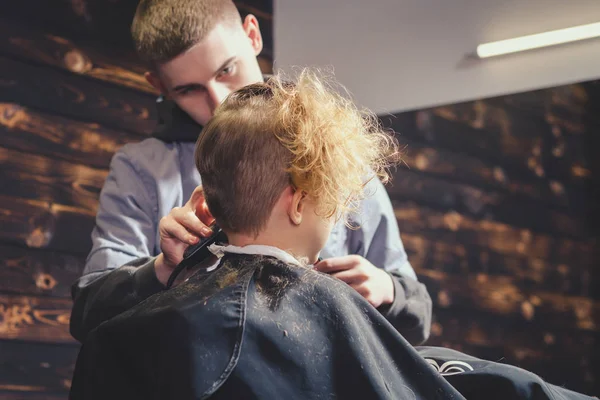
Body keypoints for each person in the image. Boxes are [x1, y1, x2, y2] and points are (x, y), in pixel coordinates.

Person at [69, 72, 595, 400]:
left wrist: (389, 290)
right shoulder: (336, 315)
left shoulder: (117, 341)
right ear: (299, 201)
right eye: (330, 198)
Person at [69, 0, 432, 345]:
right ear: (159, 85)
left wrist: (389, 290)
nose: (217, 101)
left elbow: (418, 320)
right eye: (188, 89)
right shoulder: (141, 170)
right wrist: (163, 269)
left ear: (252, 35)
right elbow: (89, 312)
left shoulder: (334, 155)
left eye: (226, 70)